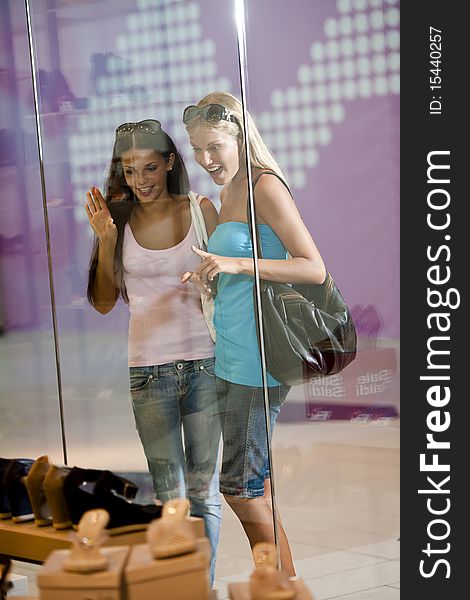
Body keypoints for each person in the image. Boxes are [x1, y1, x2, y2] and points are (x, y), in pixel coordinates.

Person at [181, 92, 326, 577]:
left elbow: (312, 267)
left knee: (239, 487)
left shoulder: (265, 186)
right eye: (197, 149)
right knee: (254, 486)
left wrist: (235, 262)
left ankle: (279, 582)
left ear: (241, 138)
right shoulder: (228, 192)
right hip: (231, 353)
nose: (205, 160)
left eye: (215, 147)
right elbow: (238, 267)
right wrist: (212, 273)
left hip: (258, 359)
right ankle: (281, 582)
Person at [85, 119, 221, 584]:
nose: (140, 180)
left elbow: (233, 283)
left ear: (168, 163)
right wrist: (105, 240)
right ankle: (179, 588)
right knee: (171, 496)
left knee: (204, 493)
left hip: (206, 364)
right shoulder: (117, 222)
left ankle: (200, 589)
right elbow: (104, 302)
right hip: (148, 372)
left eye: (149, 167)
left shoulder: (201, 208)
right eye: (129, 170)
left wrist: (214, 278)